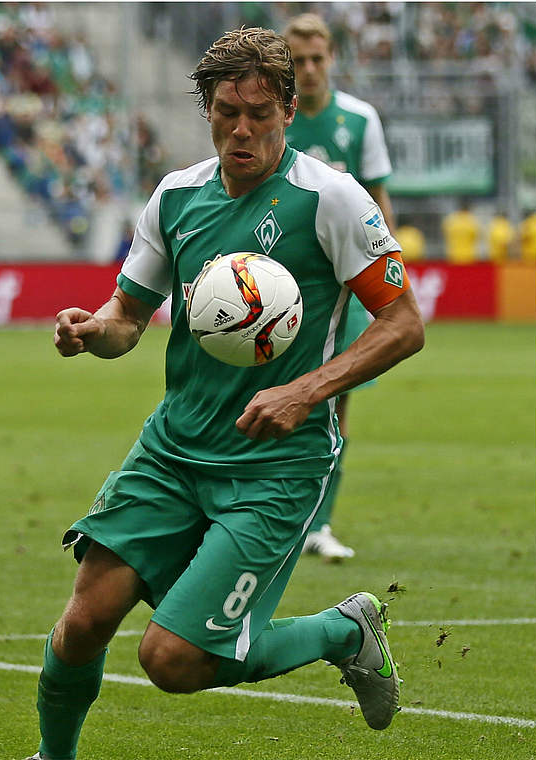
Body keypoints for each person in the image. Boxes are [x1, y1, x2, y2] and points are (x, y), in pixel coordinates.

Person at [31, 27, 424, 760]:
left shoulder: (332, 201)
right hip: (173, 452)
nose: (240, 130)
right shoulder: (176, 198)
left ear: (287, 111)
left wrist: (307, 389)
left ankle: (345, 630)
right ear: (206, 110)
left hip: (274, 469)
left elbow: (404, 325)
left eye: (258, 114)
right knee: (83, 621)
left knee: (171, 662)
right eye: (223, 112)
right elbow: (128, 320)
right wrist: (93, 330)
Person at [282, 13, 397, 560]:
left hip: (345, 290)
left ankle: (319, 524)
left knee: (332, 406)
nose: (307, 69)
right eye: (297, 60)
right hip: (279, 289)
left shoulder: (359, 118)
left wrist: (383, 275)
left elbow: (377, 201)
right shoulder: (272, 119)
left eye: (316, 59)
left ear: (330, 58)